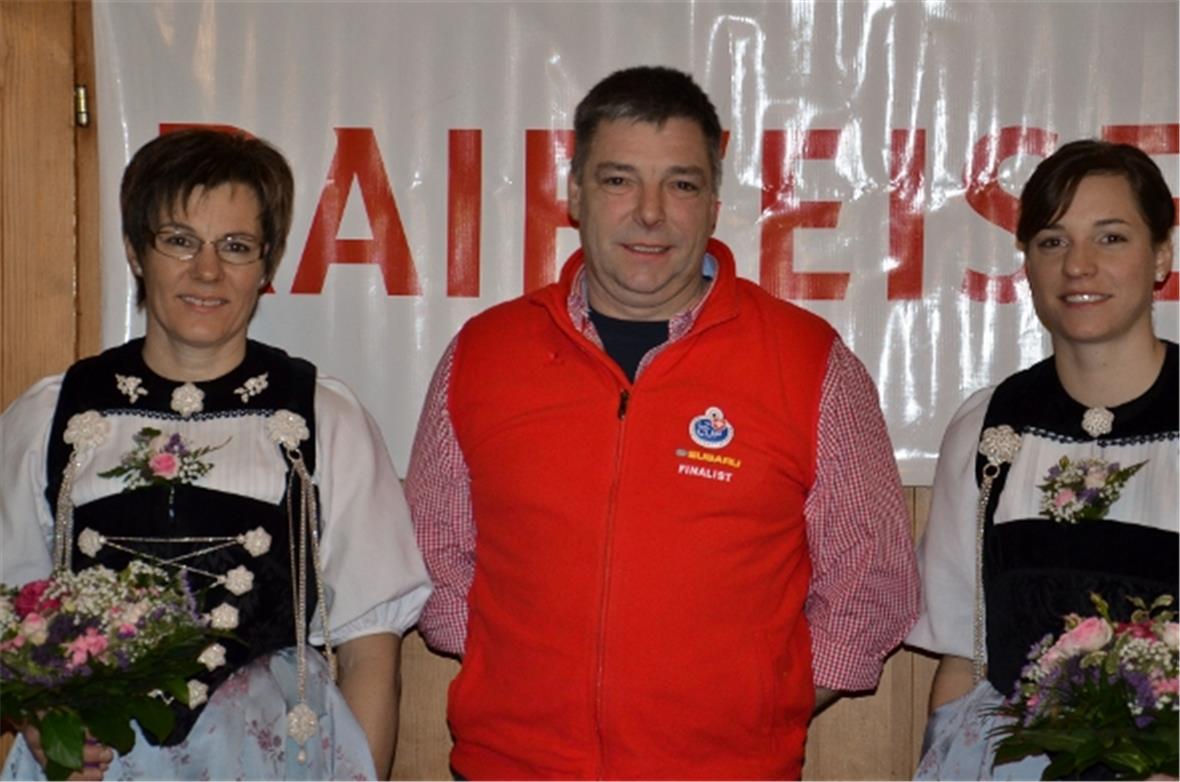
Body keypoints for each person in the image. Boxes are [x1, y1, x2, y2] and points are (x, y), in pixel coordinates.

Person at [405, 65, 920, 780]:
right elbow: (434, 554)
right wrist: (517, 675)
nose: (649, 213)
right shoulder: (483, 355)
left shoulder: (809, 363)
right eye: (619, 180)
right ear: (574, 193)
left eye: (680, 184)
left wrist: (763, 705)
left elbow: (872, 577)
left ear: (712, 204)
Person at [0, 129, 431, 781]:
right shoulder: (52, 416)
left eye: (235, 246)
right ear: (135, 251)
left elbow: (371, 652)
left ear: (267, 264)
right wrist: (42, 721)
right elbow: (11, 617)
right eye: (180, 240)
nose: (207, 272)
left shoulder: (323, 419)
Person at [906, 139, 1178, 779]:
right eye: (1053, 242)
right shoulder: (987, 428)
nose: (1078, 266)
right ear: (1026, 263)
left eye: (1111, 238)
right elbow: (963, 661)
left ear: (1162, 255)